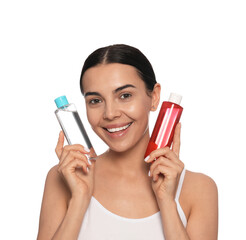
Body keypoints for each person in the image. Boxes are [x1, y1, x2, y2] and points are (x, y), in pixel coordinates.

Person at [37, 44, 218, 240]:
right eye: (95, 101)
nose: (110, 114)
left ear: (154, 97)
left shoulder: (199, 189)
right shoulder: (64, 178)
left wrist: (167, 202)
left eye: (125, 96)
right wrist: (79, 201)